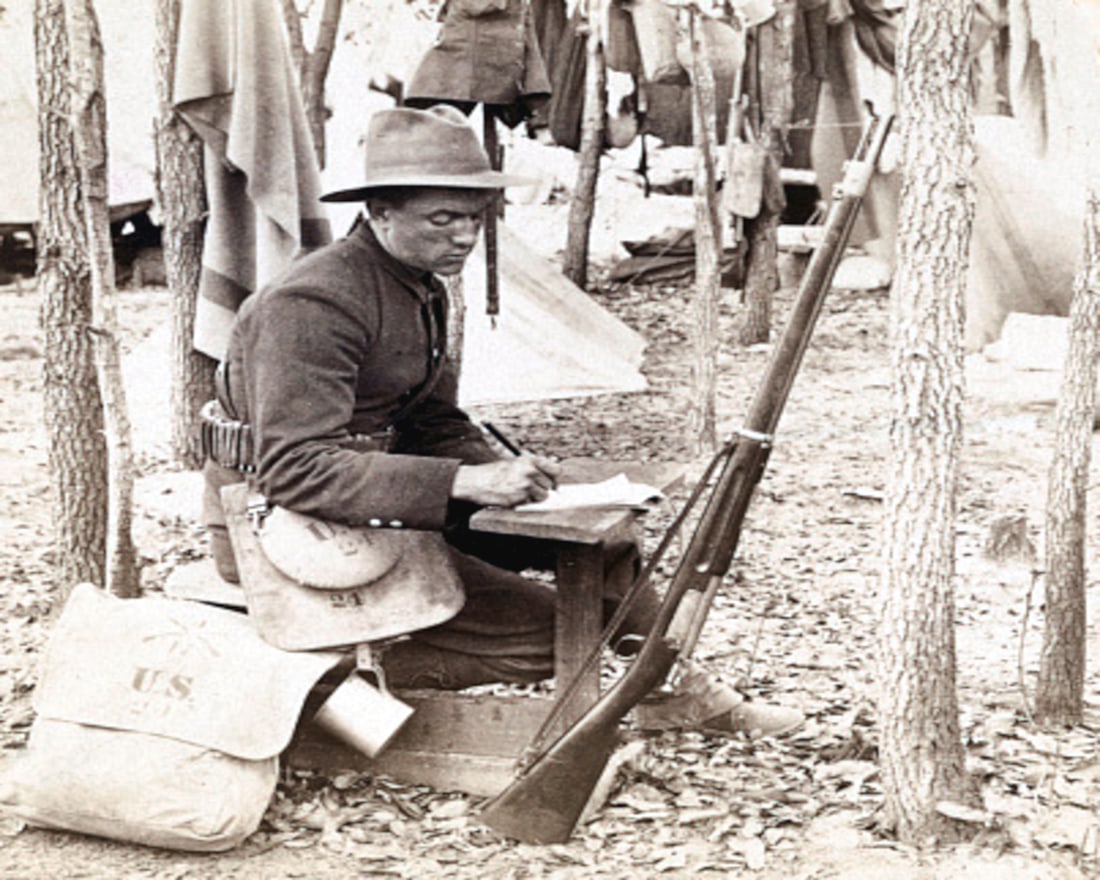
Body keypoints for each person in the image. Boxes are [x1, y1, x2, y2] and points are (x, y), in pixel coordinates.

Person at [203, 105, 803, 738]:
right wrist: (464, 485)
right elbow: (296, 469)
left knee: (608, 543)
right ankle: (330, 690)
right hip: (283, 526)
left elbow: (431, 418)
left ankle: (668, 692)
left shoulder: (417, 282)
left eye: (473, 218)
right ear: (380, 212)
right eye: (442, 218)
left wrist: (506, 474)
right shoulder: (314, 303)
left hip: (370, 503)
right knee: (554, 632)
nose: (464, 236)